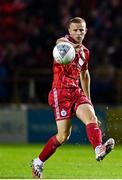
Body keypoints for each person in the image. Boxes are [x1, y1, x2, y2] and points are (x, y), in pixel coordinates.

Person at [31, 17, 115, 178]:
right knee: (63, 136)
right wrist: (70, 45)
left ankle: (99, 149)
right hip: (60, 93)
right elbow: (58, 41)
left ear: (86, 31)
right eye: (75, 30)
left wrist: (88, 100)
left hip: (76, 91)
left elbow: (84, 75)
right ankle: (38, 162)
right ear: (69, 31)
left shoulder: (85, 52)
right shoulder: (64, 45)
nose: (78, 32)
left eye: (81, 30)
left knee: (91, 117)